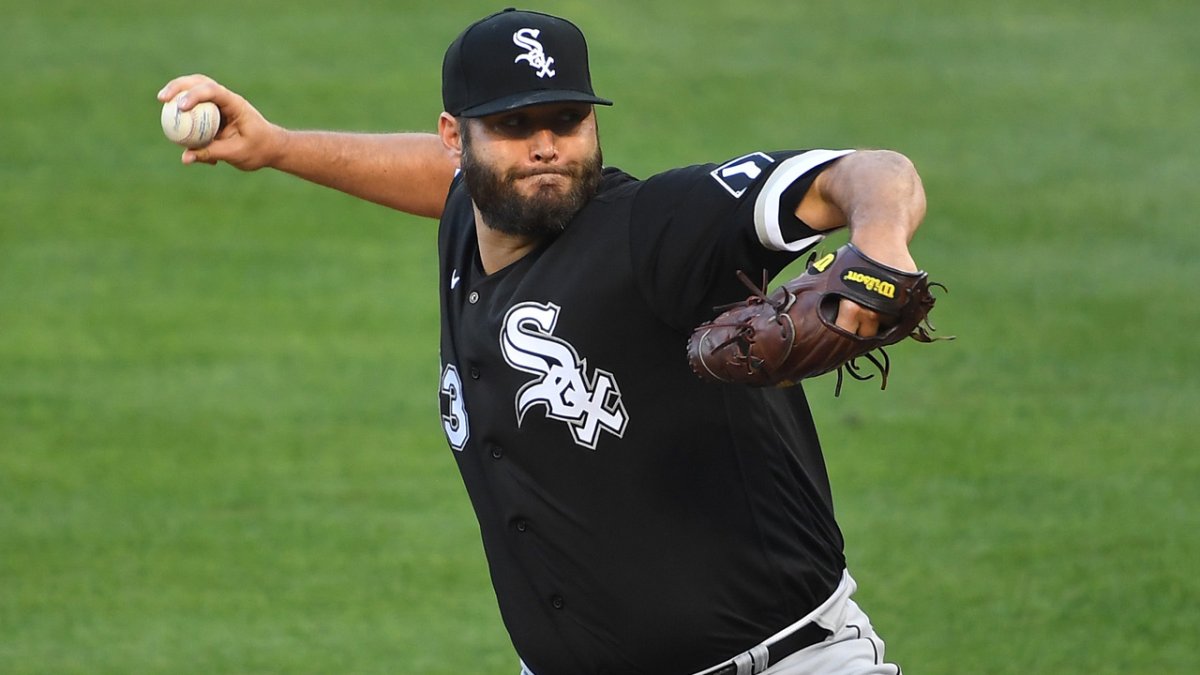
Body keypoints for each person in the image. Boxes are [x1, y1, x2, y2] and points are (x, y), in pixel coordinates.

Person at [157, 8, 926, 675]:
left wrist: (883, 240)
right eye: (515, 125)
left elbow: (868, 171)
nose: (547, 147)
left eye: (567, 119)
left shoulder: (654, 230)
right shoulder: (475, 218)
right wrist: (278, 145)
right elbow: (444, 180)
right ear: (457, 137)